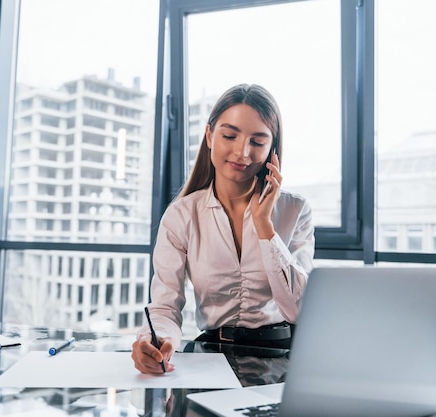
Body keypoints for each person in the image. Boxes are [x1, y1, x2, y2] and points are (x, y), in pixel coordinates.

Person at [131, 83, 315, 375]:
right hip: (210, 357)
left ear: (272, 150)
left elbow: (298, 309)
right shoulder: (181, 215)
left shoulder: (295, 210)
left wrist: (265, 226)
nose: (242, 152)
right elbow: (165, 307)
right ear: (209, 136)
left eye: (257, 141)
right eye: (229, 135)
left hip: (285, 359)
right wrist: (156, 340)